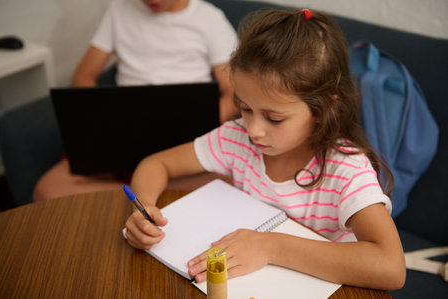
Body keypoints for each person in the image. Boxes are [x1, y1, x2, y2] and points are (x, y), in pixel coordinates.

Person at [124, 8, 406, 290]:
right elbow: (155, 164)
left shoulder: (345, 169)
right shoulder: (236, 138)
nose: (253, 129)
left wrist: (271, 248)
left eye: (274, 118)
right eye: (245, 108)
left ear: (323, 109)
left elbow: (391, 267)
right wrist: (144, 208)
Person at [33, 0, 237, 202]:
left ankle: (132, 194)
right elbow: (83, 76)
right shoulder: (119, 10)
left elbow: (232, 91)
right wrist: (101, 118)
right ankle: (145, 193)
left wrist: (198, 124)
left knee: (231, 183)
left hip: (183, 140)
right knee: (48, 190)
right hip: (124, 133)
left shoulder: (210, 19)